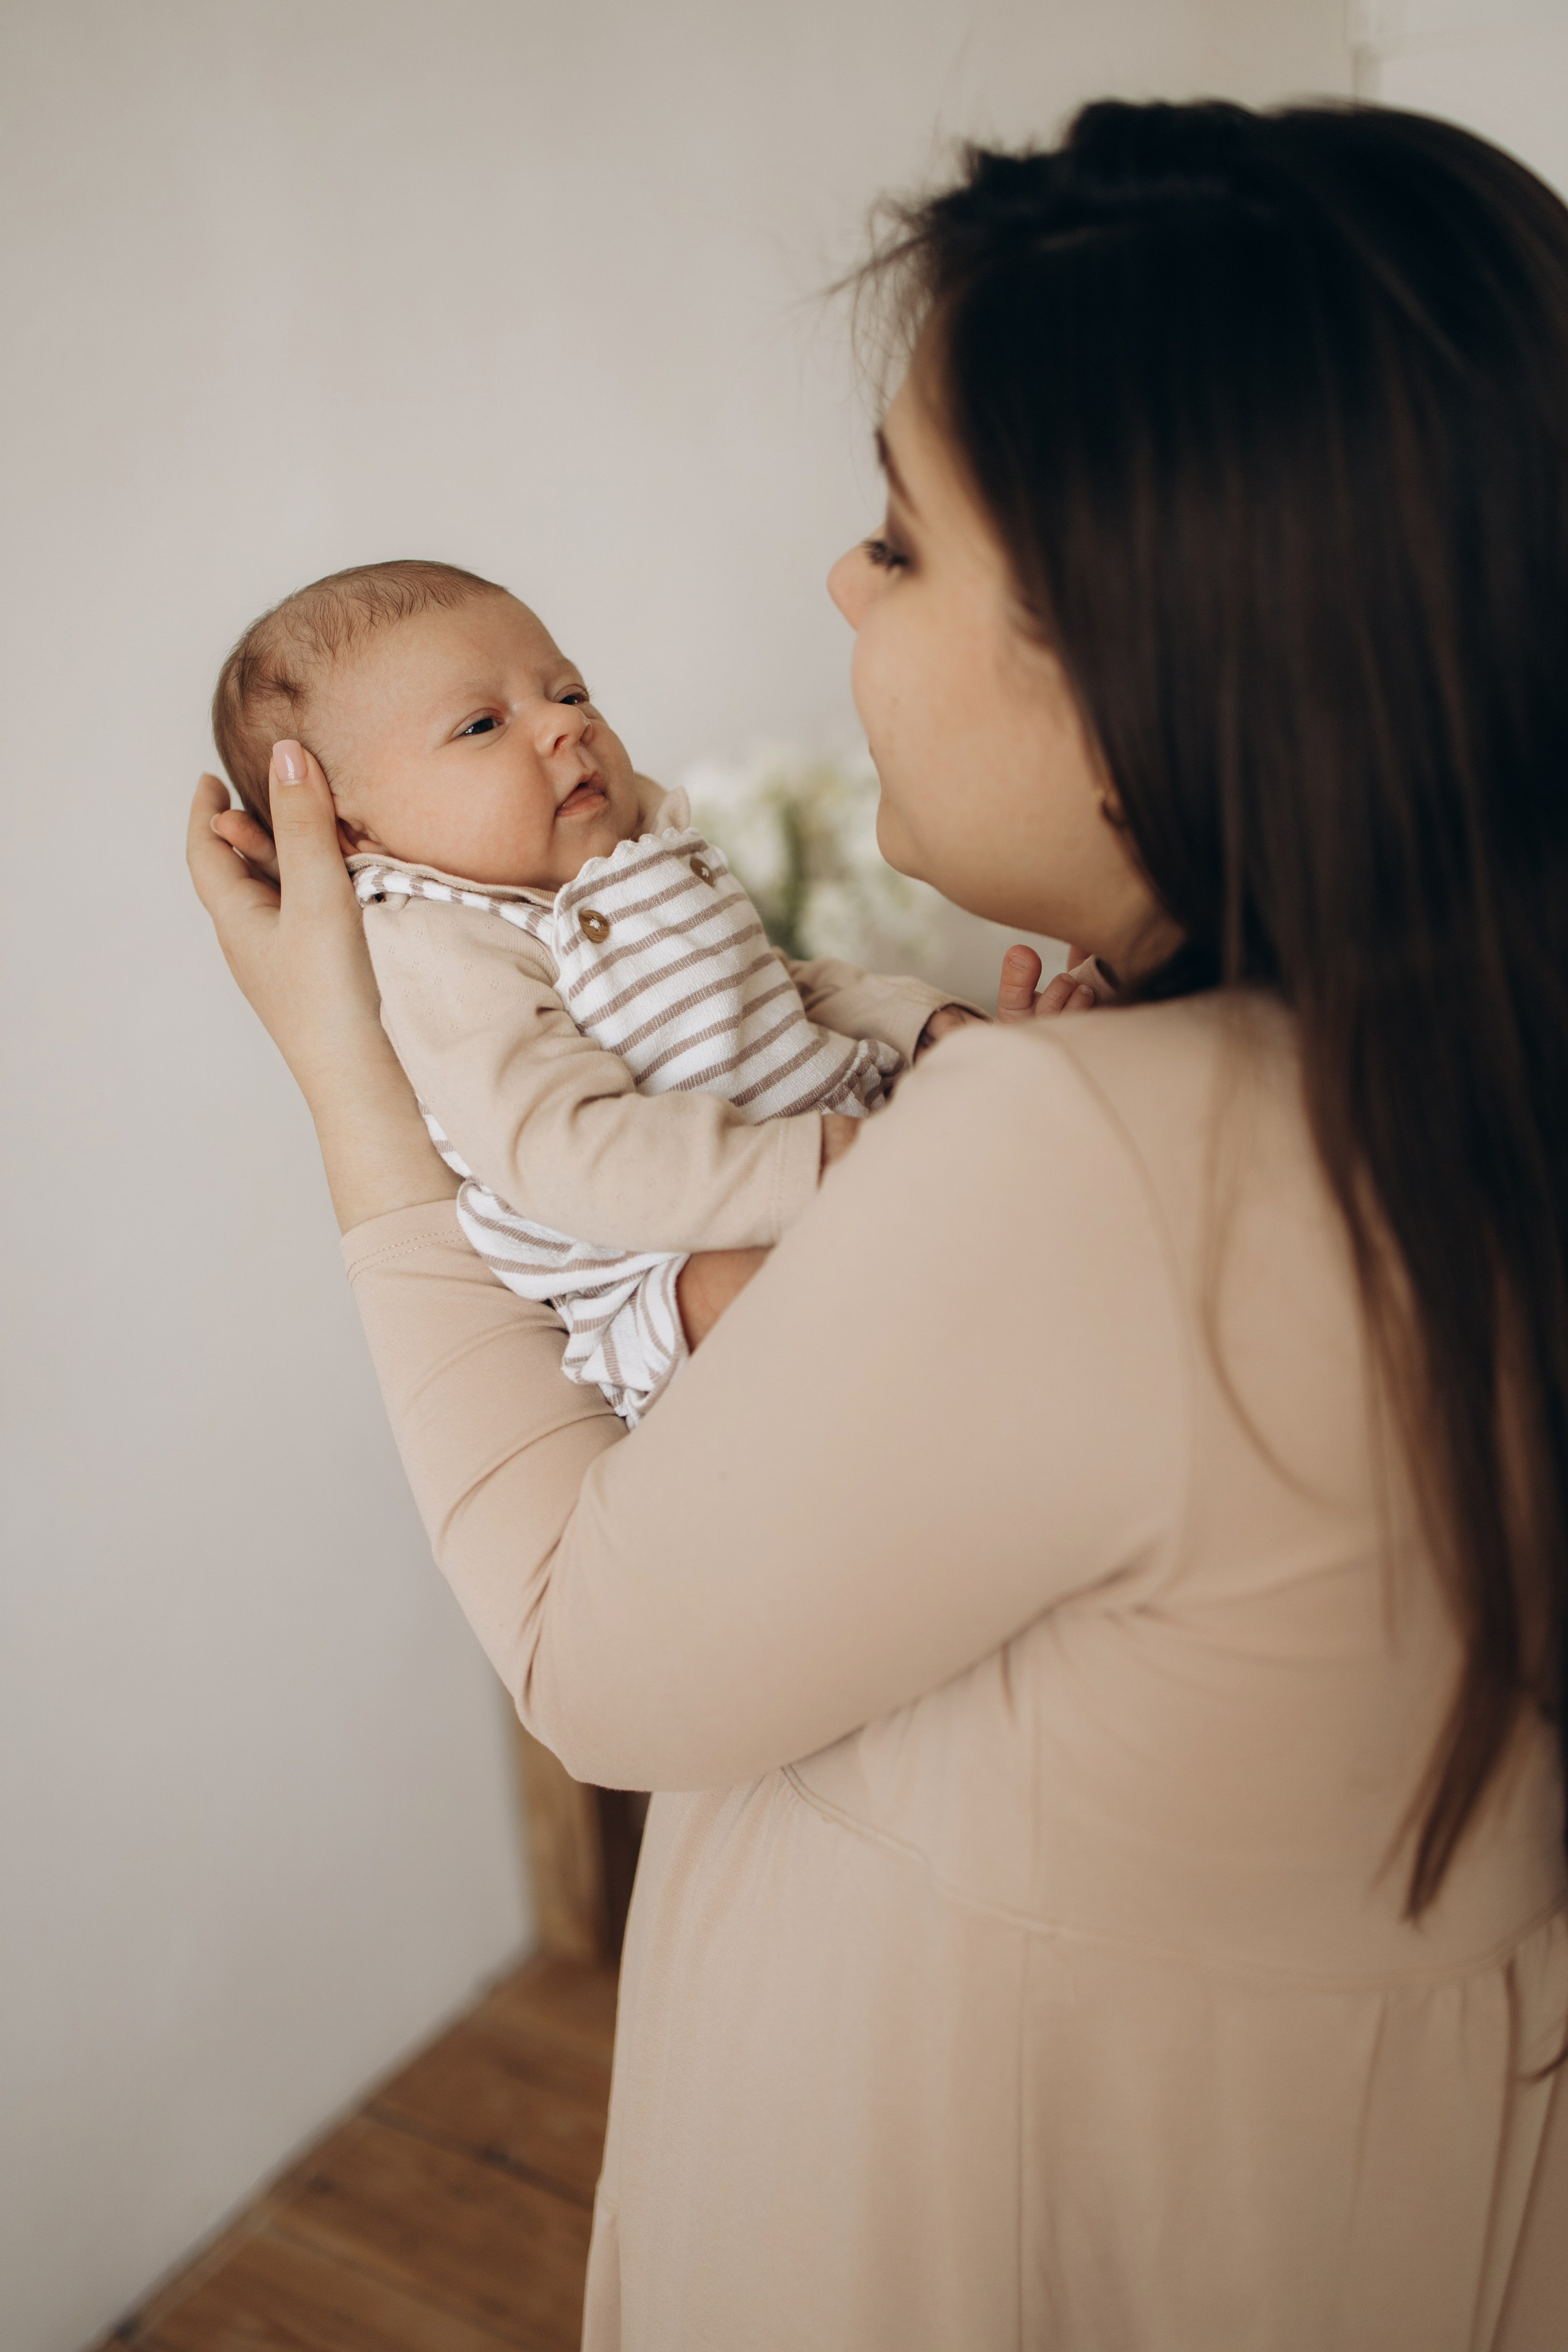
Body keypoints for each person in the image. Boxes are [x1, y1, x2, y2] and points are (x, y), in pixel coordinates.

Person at [188, 98, 1568, 2352]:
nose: (840, 586)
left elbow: (590, 1656)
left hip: (991, 2213)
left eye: (900, 540)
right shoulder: (1440, 1066)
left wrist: (344, 1074)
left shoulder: (1083, 1163)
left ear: (1150, 656)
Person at [208, 562, 984, 1420]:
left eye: (569, 693)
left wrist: (923, 1027)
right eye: (481, 725)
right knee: (743, 1290)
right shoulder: (441, 946)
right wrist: (823, 1161)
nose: (564, 725)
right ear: (353, 831)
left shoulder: (637, 856)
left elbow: (777, 989)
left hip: (834, 1155)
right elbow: (562, 1148)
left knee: (989, 1125)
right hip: (665, 1263)